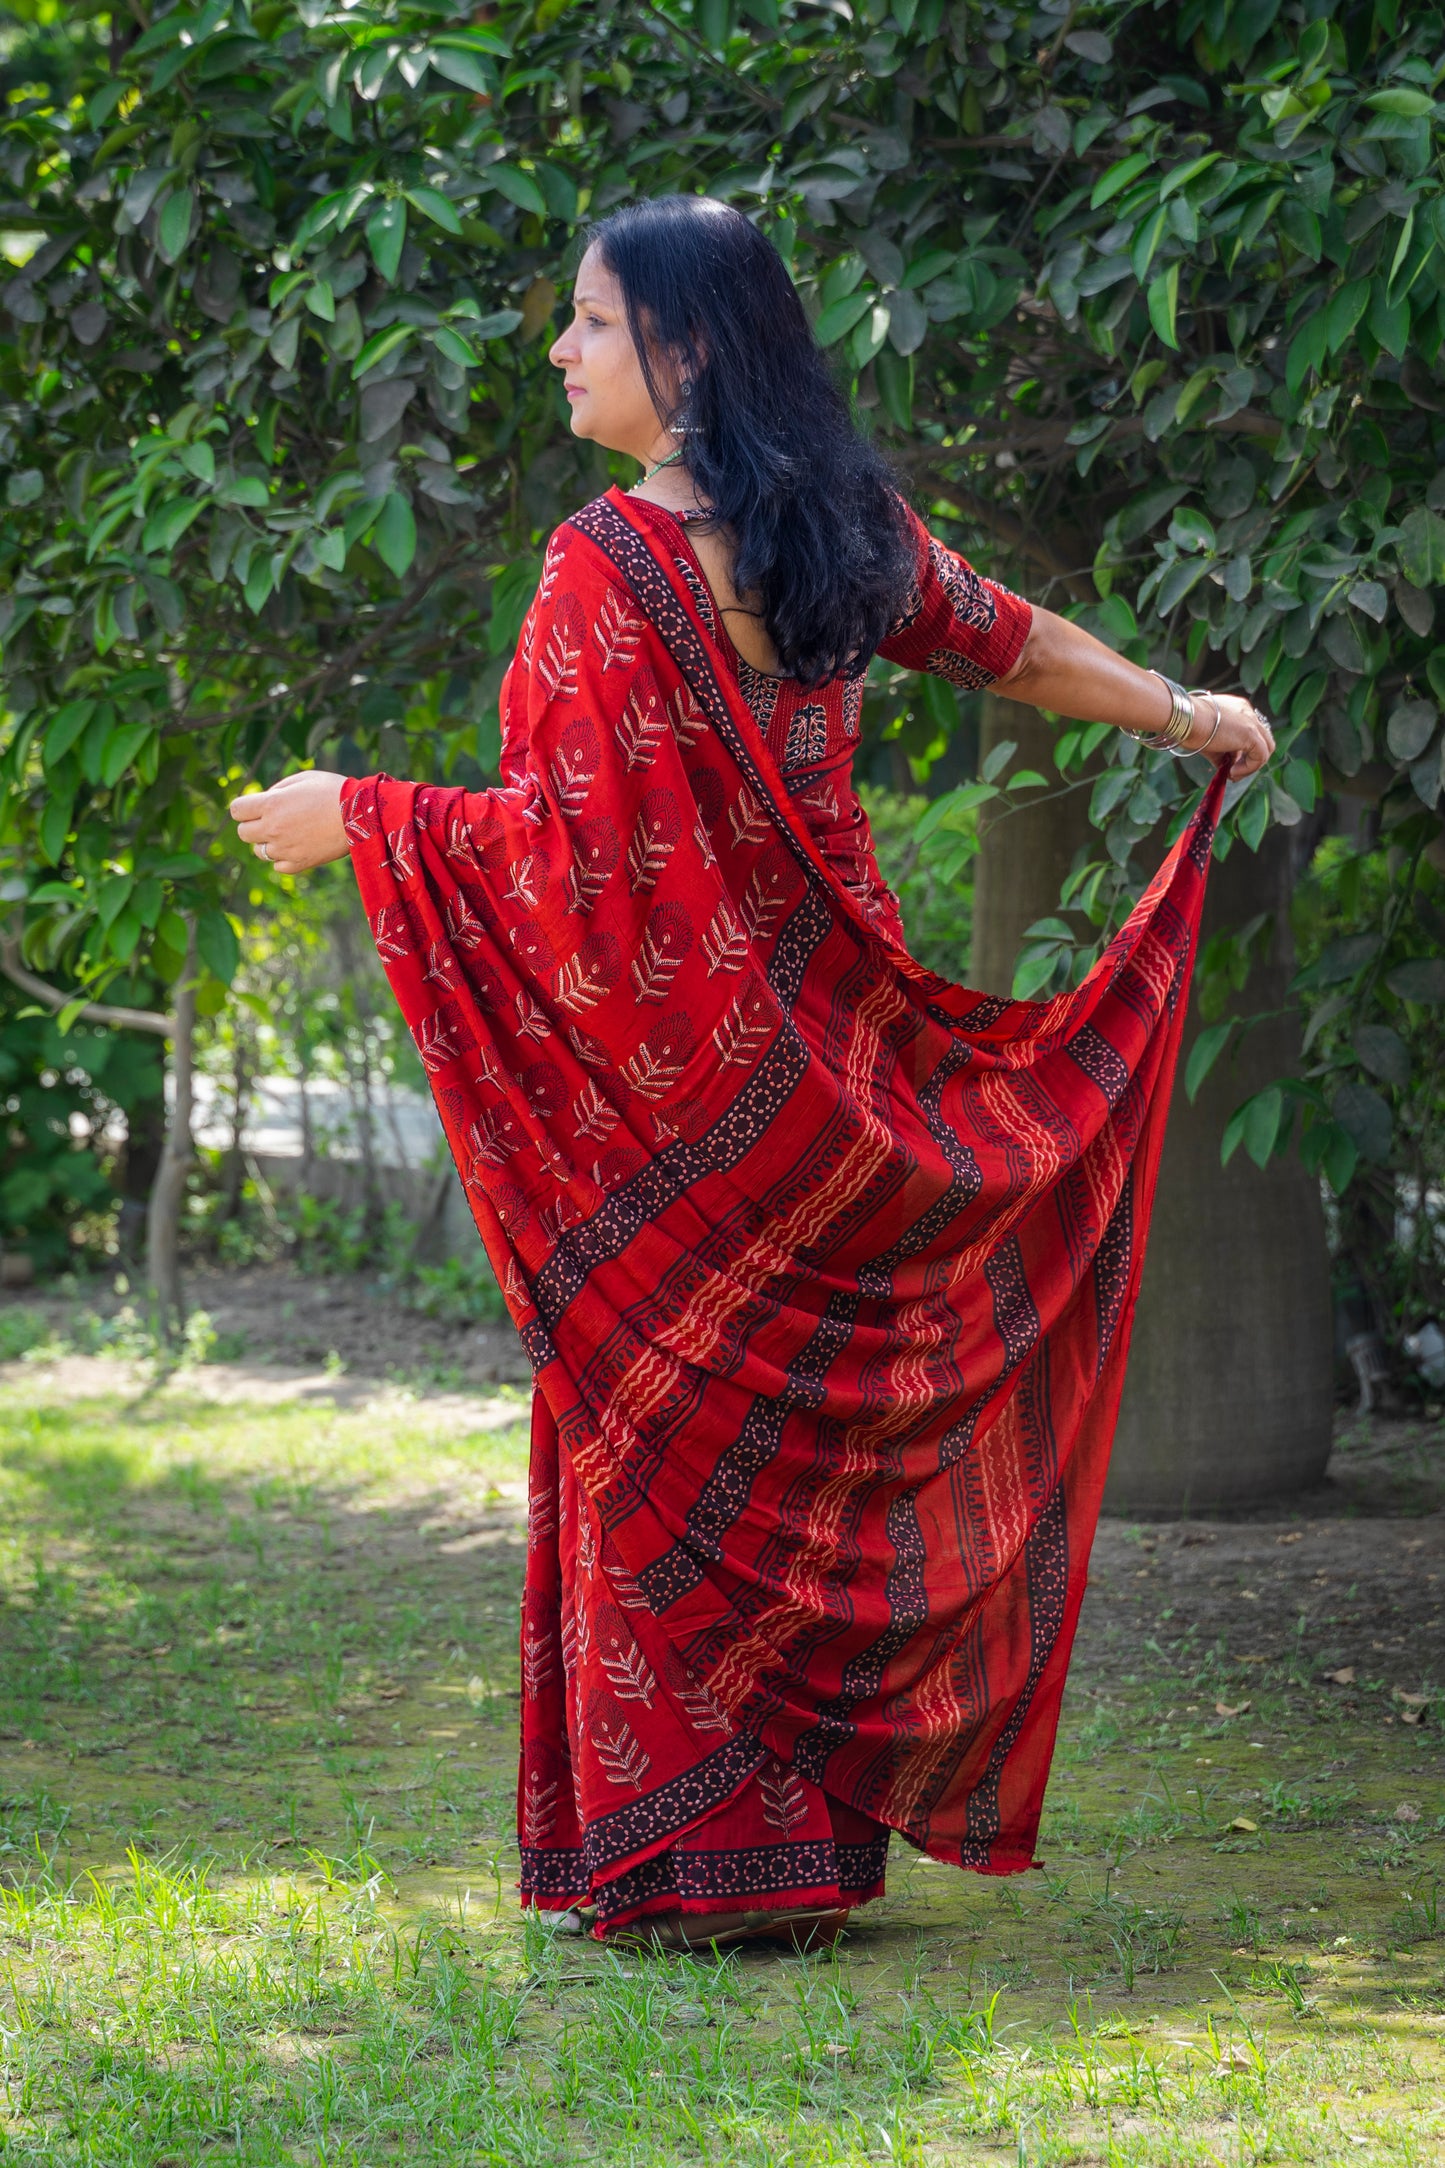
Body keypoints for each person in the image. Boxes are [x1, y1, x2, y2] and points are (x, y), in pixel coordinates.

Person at [230, 196, 1273, 1953]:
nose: (560, 351)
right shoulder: (840, 531)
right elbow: (1012, 643)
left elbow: (578, 870)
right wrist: (1185, 709)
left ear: (685, 347)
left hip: (690, 1103)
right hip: (839, 1074)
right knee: (797, 1431)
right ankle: (793, 1865)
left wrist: (369, 821)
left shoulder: (604, 567)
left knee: (654, 1411)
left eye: (587, 322)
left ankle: (691, 1871)